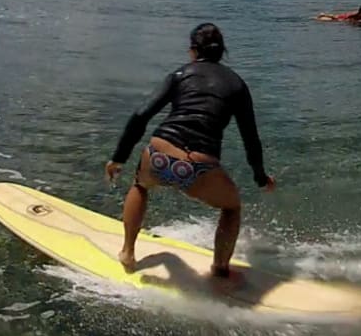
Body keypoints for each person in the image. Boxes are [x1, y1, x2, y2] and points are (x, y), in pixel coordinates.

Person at [105, 23, 276, 281]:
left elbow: (141, 115)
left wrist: (119, 158)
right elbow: (250, 139)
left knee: (140, 185)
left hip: (160, 155)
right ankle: (220, 269)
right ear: (222, 51)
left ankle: (127, 252)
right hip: (199, 168)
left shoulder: (180, 75)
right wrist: (261, 177)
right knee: (231, 208)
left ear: (193, 51)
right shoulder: (237, 85)